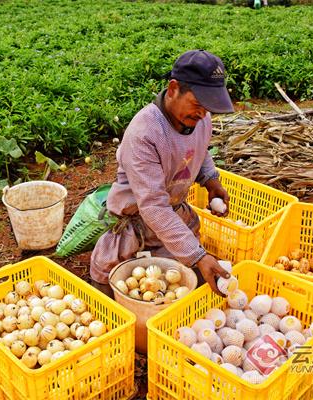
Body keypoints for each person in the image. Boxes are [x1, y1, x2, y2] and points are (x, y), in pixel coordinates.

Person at [90, 50, 234, 298]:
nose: (202, 114)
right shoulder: (145, 133)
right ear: (173, 88)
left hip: (172, 220)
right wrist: (198, 255)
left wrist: (211, 181)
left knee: (174, 288)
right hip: (135, 228)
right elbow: (154, 206)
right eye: (198, 104)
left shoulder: (200, 119)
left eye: (208, 107)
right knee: (117, 291)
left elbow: (199, 151)